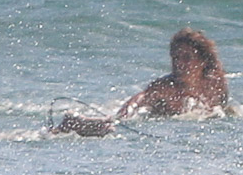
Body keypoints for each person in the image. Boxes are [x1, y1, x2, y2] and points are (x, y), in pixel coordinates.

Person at [52, 28, 229, 136]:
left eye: (187, 58)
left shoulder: (215, 84)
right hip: (150, 118)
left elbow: (222, 107)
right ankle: (75, 122)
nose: (179, 63)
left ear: (203, 61)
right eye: (175, 57)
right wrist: (123, 117)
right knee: (109, 128)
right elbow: (139, 99)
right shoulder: (166, 87)